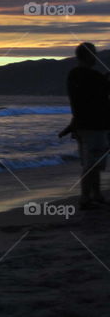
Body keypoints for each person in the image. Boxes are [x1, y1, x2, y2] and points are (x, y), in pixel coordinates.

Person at [65, 42, 110, 209]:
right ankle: (85, 197)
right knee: (92, 163)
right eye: (94, 54)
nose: (97, 57)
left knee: (92, 162)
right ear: (88, 56)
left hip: (83, 125)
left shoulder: (74, 75)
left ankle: (95, 194)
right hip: (94, 126)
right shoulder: (90, 76)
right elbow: (101, 93)